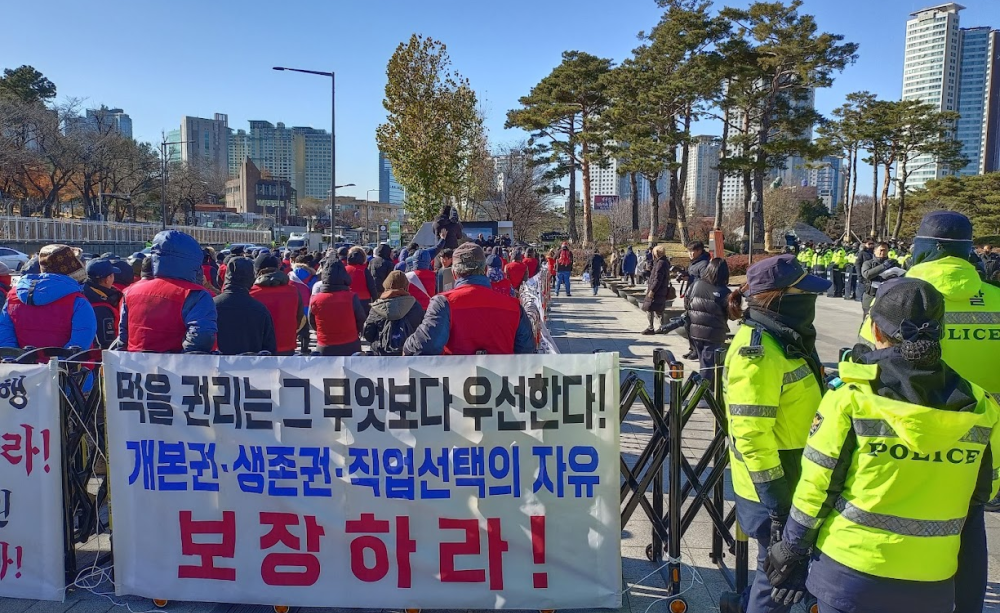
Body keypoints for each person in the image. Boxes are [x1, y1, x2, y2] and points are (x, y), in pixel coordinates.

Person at [768, 277, 1000, 613]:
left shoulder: (852, 398)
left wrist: (792, 547)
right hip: (932, 577)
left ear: (874, 331)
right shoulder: (980, 405)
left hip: (850, 570)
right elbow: (986, 492)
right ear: (940, 331)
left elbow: (816, 487)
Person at [723, 253, 830, 613]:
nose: (811, 300)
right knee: (778, 578)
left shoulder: (784, 336)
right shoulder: (759, 352)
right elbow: (751, 435)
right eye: (804, 292)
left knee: (770, 571)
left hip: (793, 475)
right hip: (773, 486)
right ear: (778, 297)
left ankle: (741, 604)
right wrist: (778, 504)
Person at [403, 243, 536, 355]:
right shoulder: (513, 306)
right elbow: (527, 352)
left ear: (454, 274)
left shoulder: (443, 303)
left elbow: (424, 347)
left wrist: (406, 346)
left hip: (455, 382)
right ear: (485, 271)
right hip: (505, 382)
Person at [120, 231, 216, 353]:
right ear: (193, 261)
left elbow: (123, 338)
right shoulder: (195, 294)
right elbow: (202, 338)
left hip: (134, 368)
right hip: (178, 369)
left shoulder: (130, 292)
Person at [0, 244, 97, 351]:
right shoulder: (78, 301)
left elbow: (5, 337)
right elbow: (80, 344)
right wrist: (57, 364)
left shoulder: (14, 296)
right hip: (68, 366)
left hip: (20, 365)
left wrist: (18, 359)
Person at [213, 257, 277, 355]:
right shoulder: (260, 310)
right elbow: (269, 350)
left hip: (218, 368)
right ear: (252, 279)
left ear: (226, 277)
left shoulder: (211, 306)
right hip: (252, 368)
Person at [683, 258, 731, 380]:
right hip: (714, 334)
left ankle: (707, 388)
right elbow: (731, 314)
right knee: (708, 366)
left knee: (704, 362)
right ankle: (704, 392)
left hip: (695, 331)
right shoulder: (725, 292)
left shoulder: (696, 284)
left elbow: (687, 303)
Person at [249, 253, 303, 356]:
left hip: (260, 349)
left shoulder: (251, 293)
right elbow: (299, 318)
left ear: (257, 270)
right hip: (287, 346)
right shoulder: (293, 291)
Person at [309, 258, 365, 356]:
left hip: (324, 345)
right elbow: (360, 319)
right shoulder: (351, 297)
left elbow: (312, 321)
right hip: (350, 344)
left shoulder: (315, 299)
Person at [363, 271, 425, 356]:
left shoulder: (376, 307)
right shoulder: (415, 306)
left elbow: (368, 334)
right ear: (406, 286)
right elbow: (421, 331)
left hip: (381, 355)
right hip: (407, 354)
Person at [82, 258, 123, 350]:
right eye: (112, 275)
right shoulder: (102, 307)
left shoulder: (85, 294)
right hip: (102, 359)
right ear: (107, 279)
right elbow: (107, 343)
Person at [860, 242, 900, 319]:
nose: (883, 252)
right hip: (871, 296)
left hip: (888, 297)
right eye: (881, 250)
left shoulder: (893, 263)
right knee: (868, 320)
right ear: (875, 251)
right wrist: (883, 266)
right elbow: (866, 274)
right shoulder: (869, 263)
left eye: (885, 250)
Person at [641, 245, 673, 335]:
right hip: (661, 290)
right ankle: (663, 327)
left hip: (657, 290)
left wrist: (652, 290)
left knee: (650, 308)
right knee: (658, 309)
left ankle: (651, 327)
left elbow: (658, 278)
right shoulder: (663, 262)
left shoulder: (660, 263)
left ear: (656, 253)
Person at [345, 246, 378, 316]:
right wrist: (376, 300)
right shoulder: (364, 270)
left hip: (348, 300)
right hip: (364, 301)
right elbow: (371, 287)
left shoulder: (344, 270)